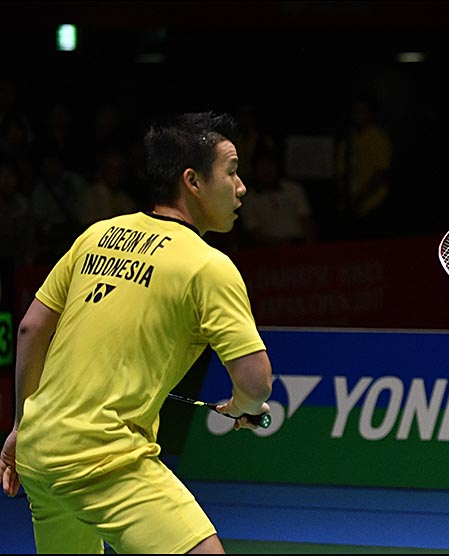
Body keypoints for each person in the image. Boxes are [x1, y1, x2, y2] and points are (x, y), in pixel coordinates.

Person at [0, 111, 273, 554]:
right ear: (193, 181)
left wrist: (19, 425)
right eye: (232, 171)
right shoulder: (208, 266)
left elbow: (30, 329)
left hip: (38, 453)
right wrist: (244, 406)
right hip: (106, 459)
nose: (241, 187)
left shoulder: (97, 234)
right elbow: (256, 381)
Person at [335, 96, 393, 239]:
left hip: (373, 203)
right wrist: (345, 196)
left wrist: (361, 198)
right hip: (349, 203)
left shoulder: (378, 138)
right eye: (356, 111)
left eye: (363, 111)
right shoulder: (349, 137)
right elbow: (341, 170)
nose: (359, 115)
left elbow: (381, 172)